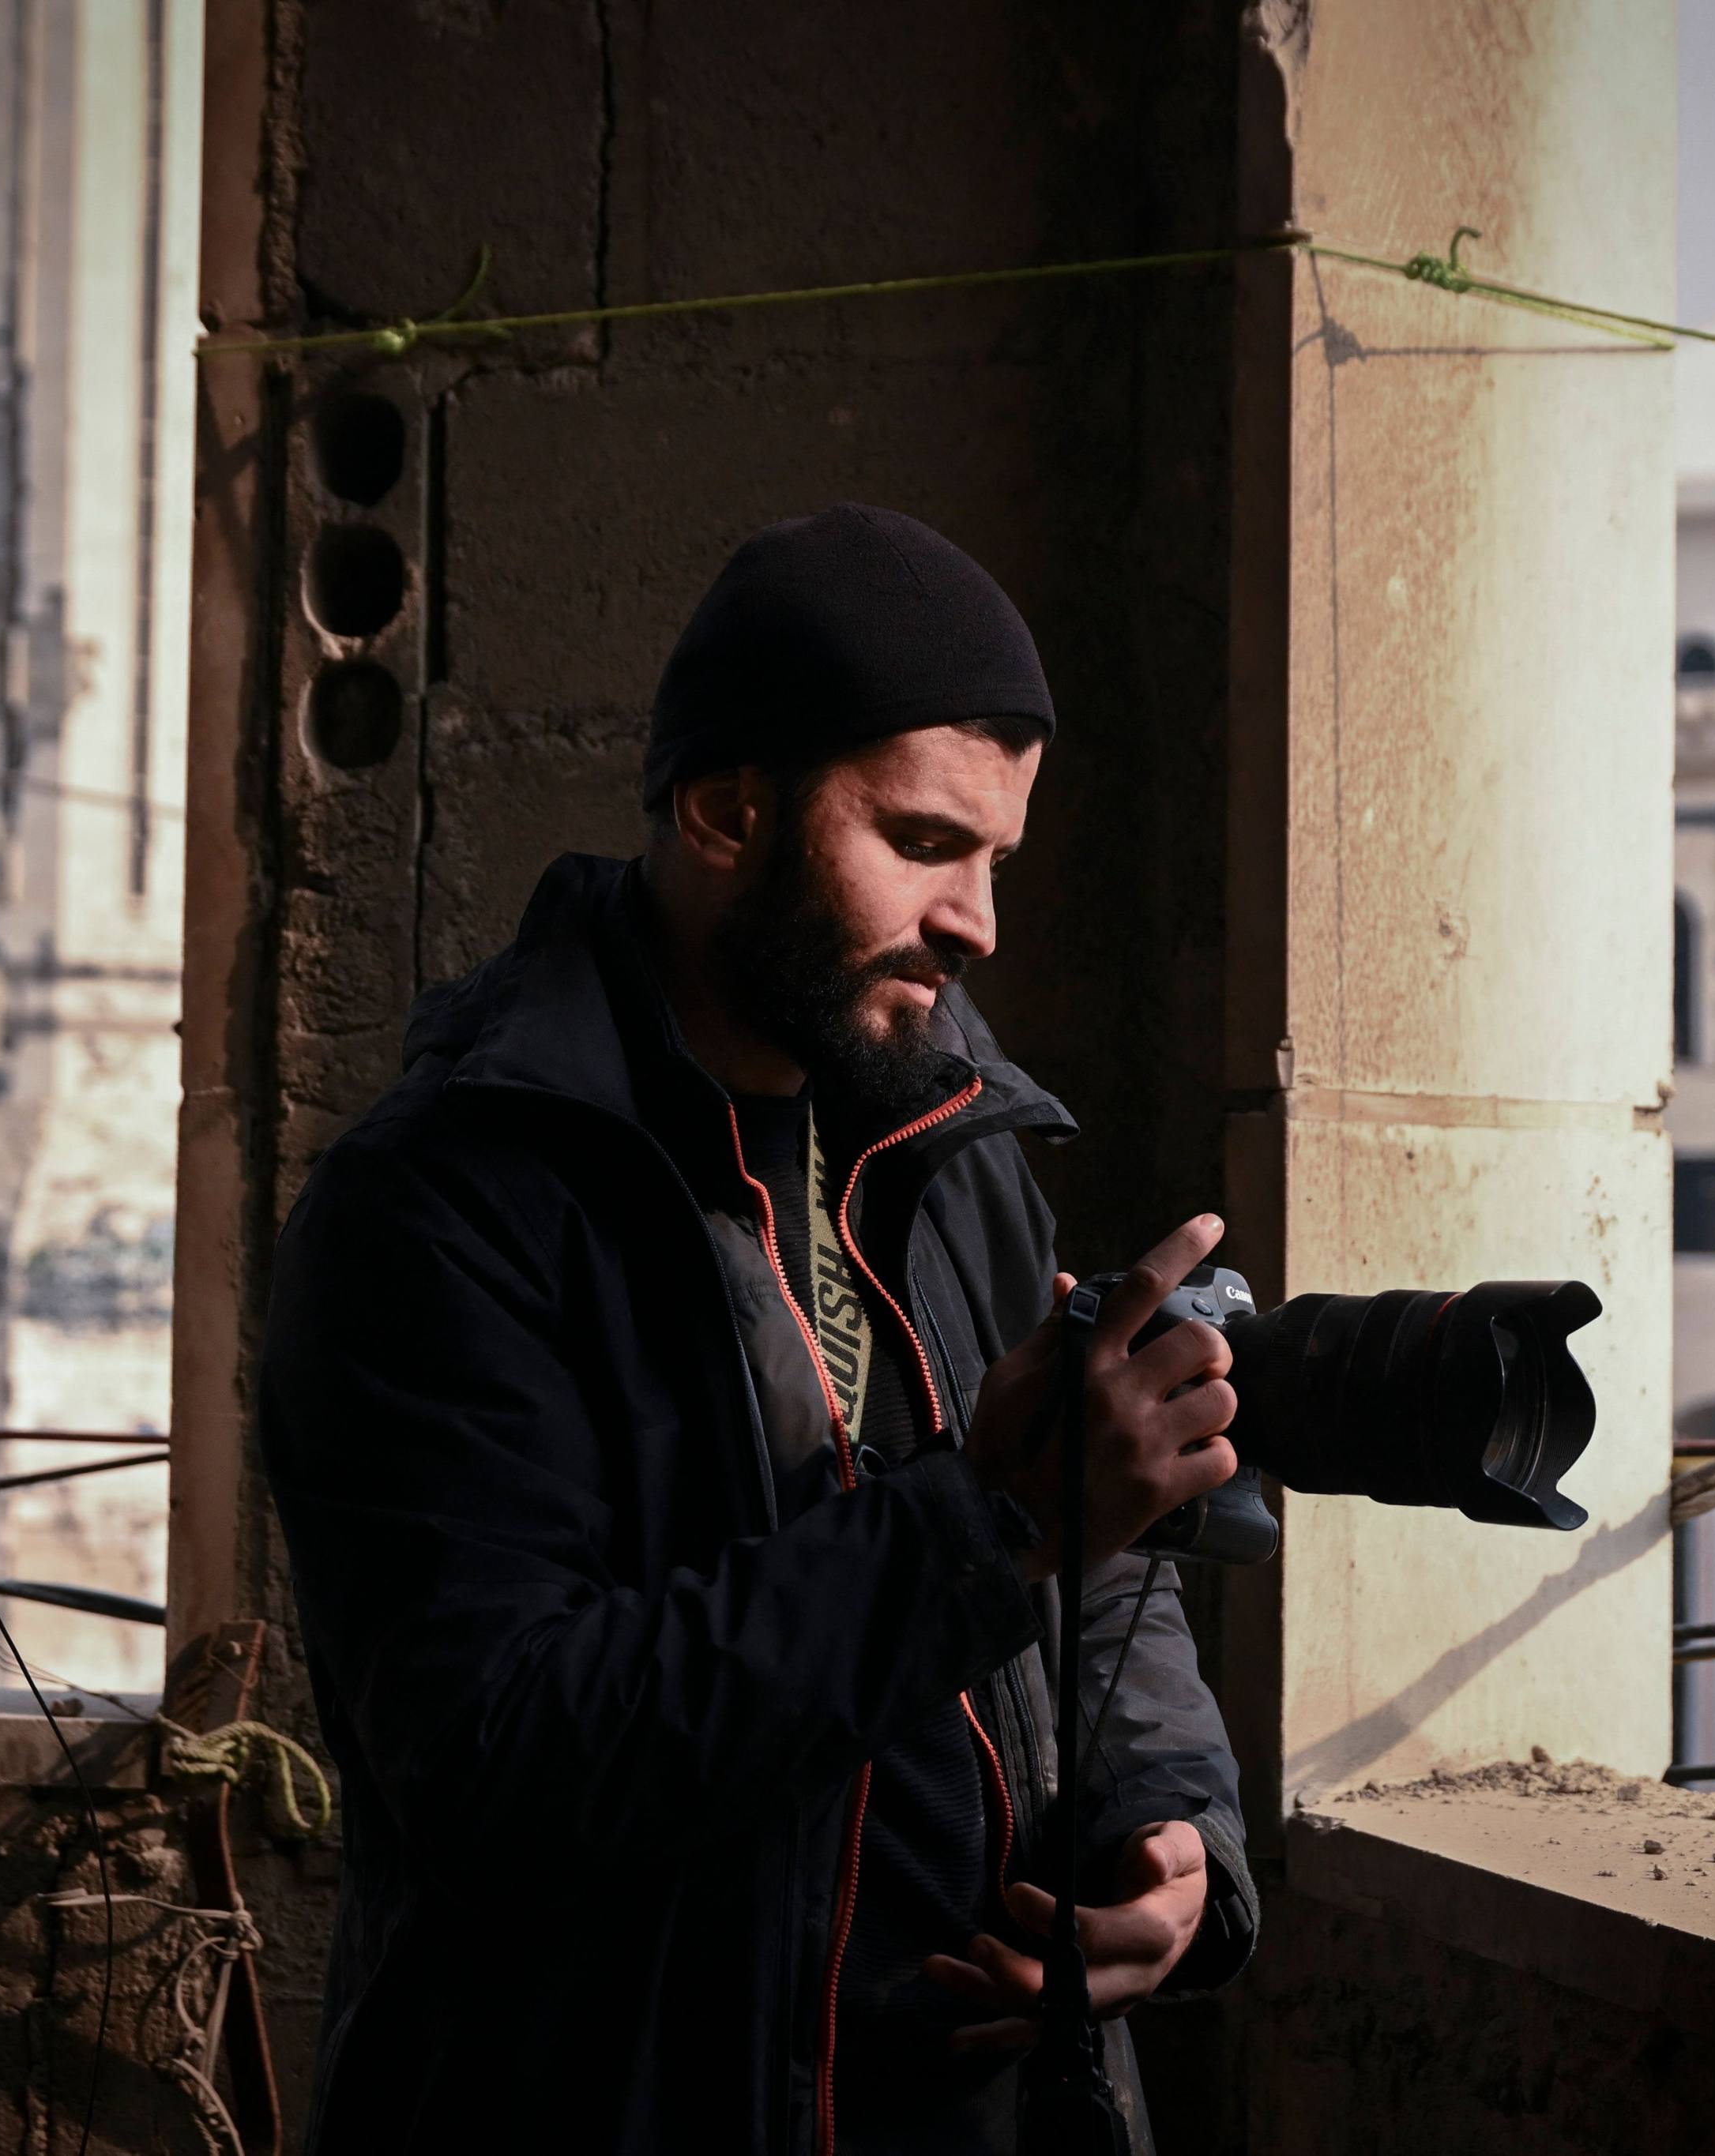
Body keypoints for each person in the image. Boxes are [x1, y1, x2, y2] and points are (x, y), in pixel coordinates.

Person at [260, 503, 1257, 2155]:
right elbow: (499, 1756)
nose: (978, 923)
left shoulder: (954, 1152)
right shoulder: (443, 1206)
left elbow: (1102, 1561)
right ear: (728, 807)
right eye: (926, 845)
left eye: (995, 860)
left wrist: (1174, 1837)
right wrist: (991, 1520)